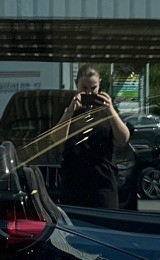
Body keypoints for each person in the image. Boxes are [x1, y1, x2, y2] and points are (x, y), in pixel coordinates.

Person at [54, 67, 132, 209]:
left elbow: (123, 139)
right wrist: (70, 112)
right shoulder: (68, 106)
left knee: (105, 226)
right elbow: (56, 139)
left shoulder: (106, 108)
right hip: (74, 183)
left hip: (103, 182)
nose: (89, 93)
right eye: (84, 88)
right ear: (76, 83)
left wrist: (110, 110)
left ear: (100, 84)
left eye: (93, 88)